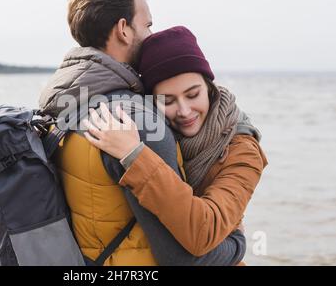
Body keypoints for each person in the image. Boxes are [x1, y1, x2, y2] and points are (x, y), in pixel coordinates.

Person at [39, 0, 246, 265]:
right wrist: (236, 240)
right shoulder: (134, 122)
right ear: (124, 29)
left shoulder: (64, 102)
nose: (150, 35)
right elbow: (182, 260)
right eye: (147, 25)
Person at [82, 26, 268, 258]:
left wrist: (134, 155)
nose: (184, 111)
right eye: (167, 100)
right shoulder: (157, 131)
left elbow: (204, 231)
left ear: (209, 88)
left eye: (193, 95)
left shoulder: (243, 151)